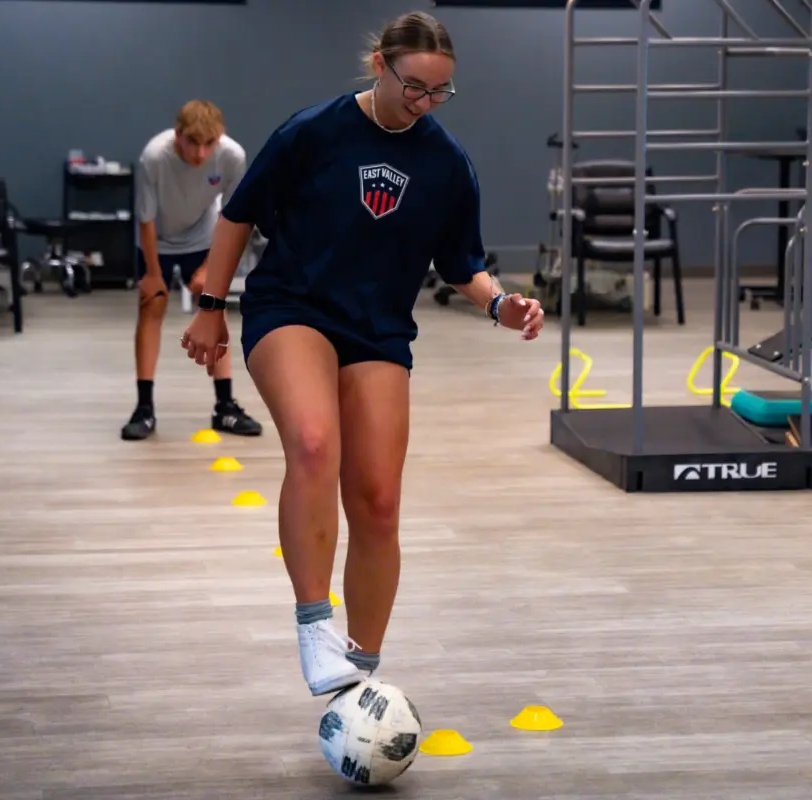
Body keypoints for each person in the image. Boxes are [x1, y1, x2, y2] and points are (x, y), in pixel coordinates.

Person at [180, 11, 544, 696]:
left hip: (377, 329)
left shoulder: (446, 162)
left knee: (377, 498)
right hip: (293, 308)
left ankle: (359, 676)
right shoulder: (311, 132)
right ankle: (315, 625)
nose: (425, 103)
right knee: (316, 445)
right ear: (380, 64)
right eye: (414, 87)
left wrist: (501, 304)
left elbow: (463, 263)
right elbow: (238, 216)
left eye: (440, 92)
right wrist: (210, 309)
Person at [122, 99, 264, 441]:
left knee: (212, 306)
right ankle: (144, 408)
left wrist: (208, 269)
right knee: (152, 305)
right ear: (178, 136)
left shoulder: (232, 157)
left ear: (221, 138)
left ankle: (225, 405)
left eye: (209, 144)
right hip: (157, 240)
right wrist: (153, 275)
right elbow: (146, 218)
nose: (201, 154)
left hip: (201, 238)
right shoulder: (154, 157)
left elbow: (234, 219)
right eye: (193, 143)